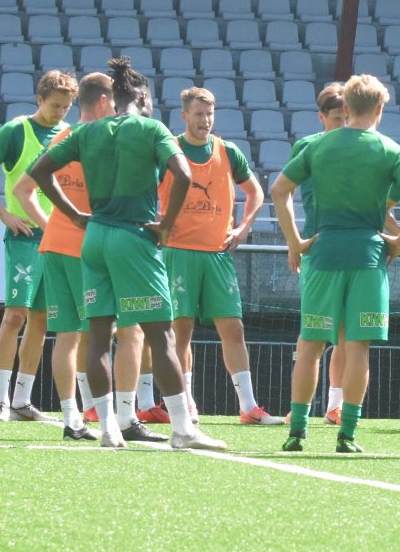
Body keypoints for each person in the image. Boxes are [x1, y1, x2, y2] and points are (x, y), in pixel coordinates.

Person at [30, 60, 225, 452]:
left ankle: (107, 429)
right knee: (161, 335)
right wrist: (166, 225)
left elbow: (39, 170)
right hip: (133, 236)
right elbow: (184, 174)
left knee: (98, 337)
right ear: (141, 98)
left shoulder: (87, 131)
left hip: (94, 238)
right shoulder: (151, 129)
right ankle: (183, 429)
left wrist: (72, 214)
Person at [273, 74, 400, 454]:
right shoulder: (389, 149)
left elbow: (279, 191)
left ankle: (297, 432)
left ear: (347, 107)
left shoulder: (317, 146)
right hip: (368, 257)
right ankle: (347, 435)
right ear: (379, 108)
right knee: (357, 347)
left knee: (311, 344)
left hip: (323, 254)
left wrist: (295, 241)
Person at [14, 72, 148, 442]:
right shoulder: (104, 138)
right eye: (115, 102)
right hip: (88, 251)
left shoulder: (64, 136)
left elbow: (24, 189)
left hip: (54, 247)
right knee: (123, 331)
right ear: (104, 102)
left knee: (68, 336)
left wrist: (54, 223)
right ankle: (123, 418)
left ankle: (73, 420)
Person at [159, 86, 280, 426]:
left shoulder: (227, 151)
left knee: (234, 328)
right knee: (181, 329)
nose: (205, 120)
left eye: (209, 114)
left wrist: (243, 228)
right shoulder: (170, 150)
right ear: (185, 116)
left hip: (218, 253)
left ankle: (249, 407)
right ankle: (185, 402)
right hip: (179, 252)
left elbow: (256, 192)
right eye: (199, 114)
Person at [0, 70, 77, 421]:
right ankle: (0, 400)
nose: (60, 113)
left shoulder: (69, 135)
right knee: (15, 315)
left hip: (56, 239)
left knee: (41, 319)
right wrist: (4, 214)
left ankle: (21, 401)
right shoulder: (16, 130)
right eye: (55, 105)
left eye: (66, 107)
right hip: (24, 237)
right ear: (39, 99)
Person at [288, 83, 353, 426]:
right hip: (316, 249)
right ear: (321, 117)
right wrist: (293, 241)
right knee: (312, 333)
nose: (343, 124)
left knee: (346, 332)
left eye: (347, 118)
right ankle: (299, 409)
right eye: (337, 118)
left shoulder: (360, 147)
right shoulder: (306, 147)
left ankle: (335, 406)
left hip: (351, 250)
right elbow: (283, 191)